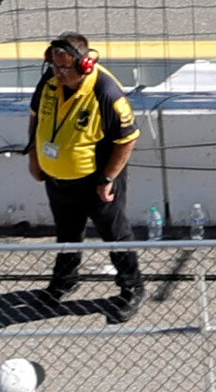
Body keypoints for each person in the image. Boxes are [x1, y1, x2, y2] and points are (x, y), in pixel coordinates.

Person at [25, 30, 145, 317]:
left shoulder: (106, 92)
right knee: (67, 234)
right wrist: (34, 158)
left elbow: (127, 139)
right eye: (54, 66)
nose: (58, 73)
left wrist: (108, 179)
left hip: (96, 182)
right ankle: (65, 280)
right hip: (56, 178)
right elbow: (35, 118)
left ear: (84, 66)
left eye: (64, 67)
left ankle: (132, 286)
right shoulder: (49, 81)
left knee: (115, 234)